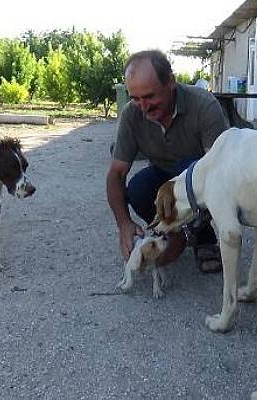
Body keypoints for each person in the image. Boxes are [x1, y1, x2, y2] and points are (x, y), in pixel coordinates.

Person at [106, 50, 229, 273]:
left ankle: (201, 234)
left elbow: (222, 176)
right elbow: (116, 173)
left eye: (150, 97)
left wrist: (185, 233)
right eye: (135, 98)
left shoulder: (204, 107)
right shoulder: (131, 114)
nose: (143, 107)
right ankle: (167, 230)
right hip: (164, 174)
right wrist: (124, 224)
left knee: (190, 170)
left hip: (202, 177)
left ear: (170, 82)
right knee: (139, 188)